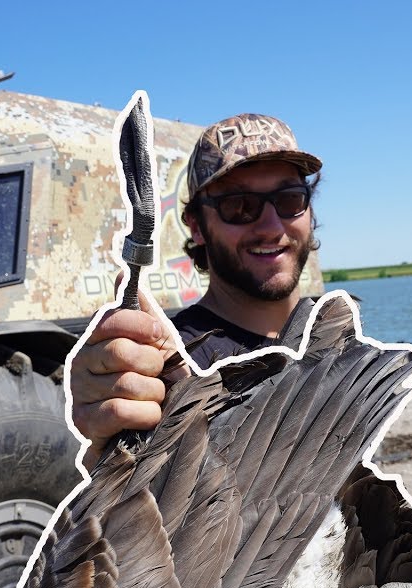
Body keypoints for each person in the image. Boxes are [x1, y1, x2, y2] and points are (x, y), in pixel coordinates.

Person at [71, 112, 322, 466]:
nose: (271, 225)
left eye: (289, 199)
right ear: (197, 226)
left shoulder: (334, 336)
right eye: (240, 206)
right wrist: (101, 441)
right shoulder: (176, 364)